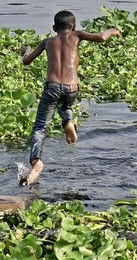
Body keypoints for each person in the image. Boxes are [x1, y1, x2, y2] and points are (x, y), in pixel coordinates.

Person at [20, 10, 121, 185]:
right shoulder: (77, 35)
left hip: (52, 86)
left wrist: (24, 52)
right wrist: (112, 31)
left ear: (54, 28)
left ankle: (36, 162)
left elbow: (26, 61)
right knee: (66, 106)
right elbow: (102, 38)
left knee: (40, 128)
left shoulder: (47, 42)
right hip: (72, 87)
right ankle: (68, 122)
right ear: (73, 26)